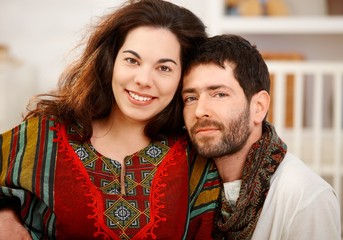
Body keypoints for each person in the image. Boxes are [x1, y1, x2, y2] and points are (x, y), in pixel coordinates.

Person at [0, 0, 220, 239]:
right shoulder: (44, 135)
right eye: (132, 61)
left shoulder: (194, 157)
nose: (143, 79)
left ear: (183, 77)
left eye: (164, 68)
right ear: (110, 61)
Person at [181, 34, 341, 239]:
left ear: (259, 107)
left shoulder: (304, 196)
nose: (200, 110)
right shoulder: (185, 184)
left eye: (219, 94)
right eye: (191, 98)